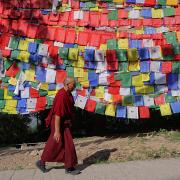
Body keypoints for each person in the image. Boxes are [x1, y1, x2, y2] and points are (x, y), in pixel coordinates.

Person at [36, 77, 80, 175]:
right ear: (67, 84)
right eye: (74, 84)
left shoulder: (68, 94)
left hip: (64, 122)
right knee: (63, 142)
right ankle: (69, 167)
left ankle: (43, 162)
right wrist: (57, 130)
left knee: (58, 144)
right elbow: (58, 114)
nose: (75, 86)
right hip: (58, 122)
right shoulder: (61, 95)